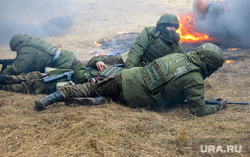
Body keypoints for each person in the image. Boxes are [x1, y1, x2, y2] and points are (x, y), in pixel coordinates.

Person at [34, 43, 227, 117]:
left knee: (89, 88)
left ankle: (51, 99)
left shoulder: (177, 56)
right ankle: (101, 100)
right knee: (116, 99)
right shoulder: (195, 80)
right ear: (210, 65)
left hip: (125, 77)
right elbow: (197, 109)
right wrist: (217, 106)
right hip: (135, 98)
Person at [85, 13, 183, 69]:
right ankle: (75, 63)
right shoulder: (149, 32)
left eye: (174, 27)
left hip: (144, 72)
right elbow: (137, 49)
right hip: (125, 60)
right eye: (168, 26)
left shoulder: (175, 46)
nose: (171, 29)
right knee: (95, 61)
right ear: (162, 26)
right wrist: (130, 70)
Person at [0, 60, 125, 95]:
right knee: (35, 75)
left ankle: (4, 85)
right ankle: (5, 79)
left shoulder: (105, 81)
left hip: (59, 83)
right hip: (60, 75)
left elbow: (81, 76)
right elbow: (93, 62)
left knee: (31, 84)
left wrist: (79, 66)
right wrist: (98, 61)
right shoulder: (114, 72)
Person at [1, 34, 81, 75]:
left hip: (63, 64)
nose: (17, 51)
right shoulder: (34, 41)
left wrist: (2, 75)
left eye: (16, 49)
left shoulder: (26, 50)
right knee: (85, 67)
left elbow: (16, 68)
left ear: (19, 44)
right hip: (67, 56)